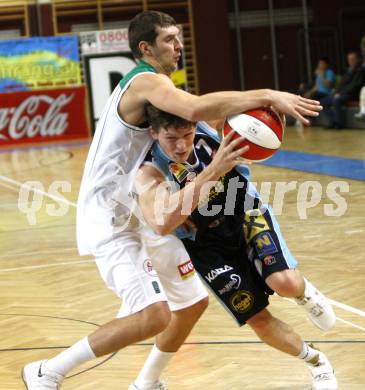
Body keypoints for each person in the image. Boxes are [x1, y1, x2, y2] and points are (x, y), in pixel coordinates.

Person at [22, 10, 324, 390]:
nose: (179, 46)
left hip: (137, 211)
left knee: (191, 304)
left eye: (179, 37)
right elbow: (198, 108)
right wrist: (267, 94)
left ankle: (146, 383)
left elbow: (198, 120)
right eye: (169, 39)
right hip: (110, 216)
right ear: (145, 47)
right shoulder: (144, 82)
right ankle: (48, 371)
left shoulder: (156, 90)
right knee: (154, 316)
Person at [134, 105, 338, 389]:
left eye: (187, 134)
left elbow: (239, 104)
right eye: (171, 138)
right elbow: (161, 223)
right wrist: (215, 170)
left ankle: (304, 294)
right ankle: (317, 362)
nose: (181, 145)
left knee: (285, 283)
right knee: (257, 318)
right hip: (206, 248)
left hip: (245, 214)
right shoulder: (148, 172)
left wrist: (268, 102)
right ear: (154, 133)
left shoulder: (206, 125)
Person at [321, 51, 365, 129]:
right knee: (323, 102)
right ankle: (332, 122)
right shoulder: (347, 71)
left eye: (353, 59)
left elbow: (355, 86)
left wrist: (340, 93)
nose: (351, 61)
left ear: (357, 60)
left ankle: (338, 124)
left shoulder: (360, 71)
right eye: (349, 60)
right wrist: (335, 92)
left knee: (337, 100)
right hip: (342, 93)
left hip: (352, 94)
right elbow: (341, 84)